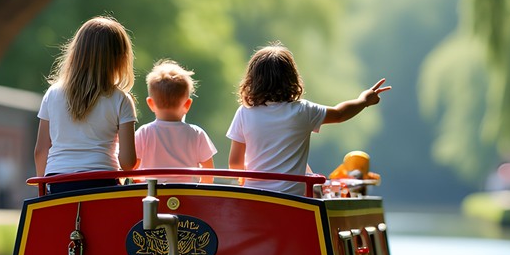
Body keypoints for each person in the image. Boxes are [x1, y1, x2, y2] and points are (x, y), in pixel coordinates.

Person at [227, 43, 390, 195]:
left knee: (310, 175)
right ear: (291, 79)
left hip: (256, 196)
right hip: (294, 198)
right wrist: (364, 100)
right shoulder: (303, 110)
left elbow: (235, 164)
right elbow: (340, 114)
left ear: (253, 80)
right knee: (320, 188)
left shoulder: (244, 112)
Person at [33, 16, 137, 193]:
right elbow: (127, 162)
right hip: (102, 181)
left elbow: (41, 151)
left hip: (59, 181)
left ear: (76, 52)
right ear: (121, 58)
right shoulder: (121, 100)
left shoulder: (53, 94)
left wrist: (43, 190)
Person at [135, 60, 217, 182]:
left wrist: (139, 179)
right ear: (187, 104)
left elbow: (131, 168)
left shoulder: (144, 132)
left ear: (150, 103)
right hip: (185, 194)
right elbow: (208, 174)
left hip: (153, 194)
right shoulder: (196, 133)